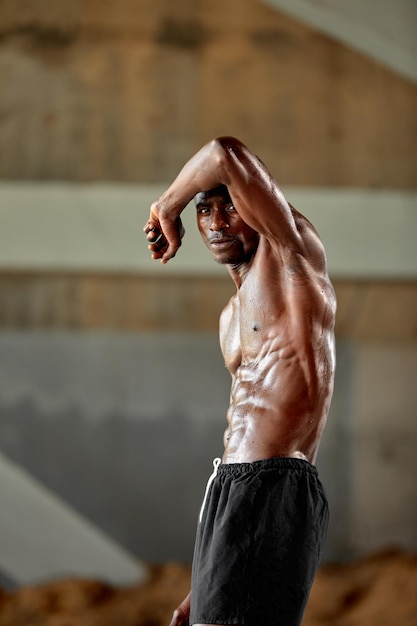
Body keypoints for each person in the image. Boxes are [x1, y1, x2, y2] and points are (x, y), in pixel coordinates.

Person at [144, 136, 336, 626]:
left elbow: (223, 153)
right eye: (204, 211)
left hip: (270, 486)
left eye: (230, 206)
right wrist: (209, 579)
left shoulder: (293, 257)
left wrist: (169, 205)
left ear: (259, 208)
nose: (216, 221)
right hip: (233, 491)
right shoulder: (233, 314)